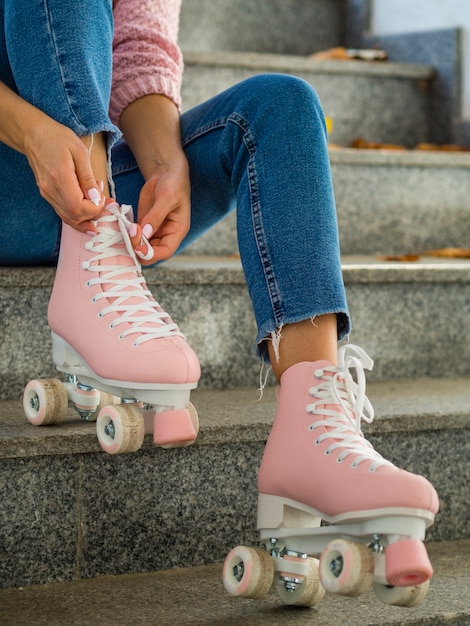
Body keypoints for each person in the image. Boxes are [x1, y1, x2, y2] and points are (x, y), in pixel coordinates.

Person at [0, 0, 438, 593]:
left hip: (97, 175)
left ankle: (316, 433)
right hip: (16, 163)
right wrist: (32, 133)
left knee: (281, 107)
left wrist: (164, 162)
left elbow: (138, 49)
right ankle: (93, 257)